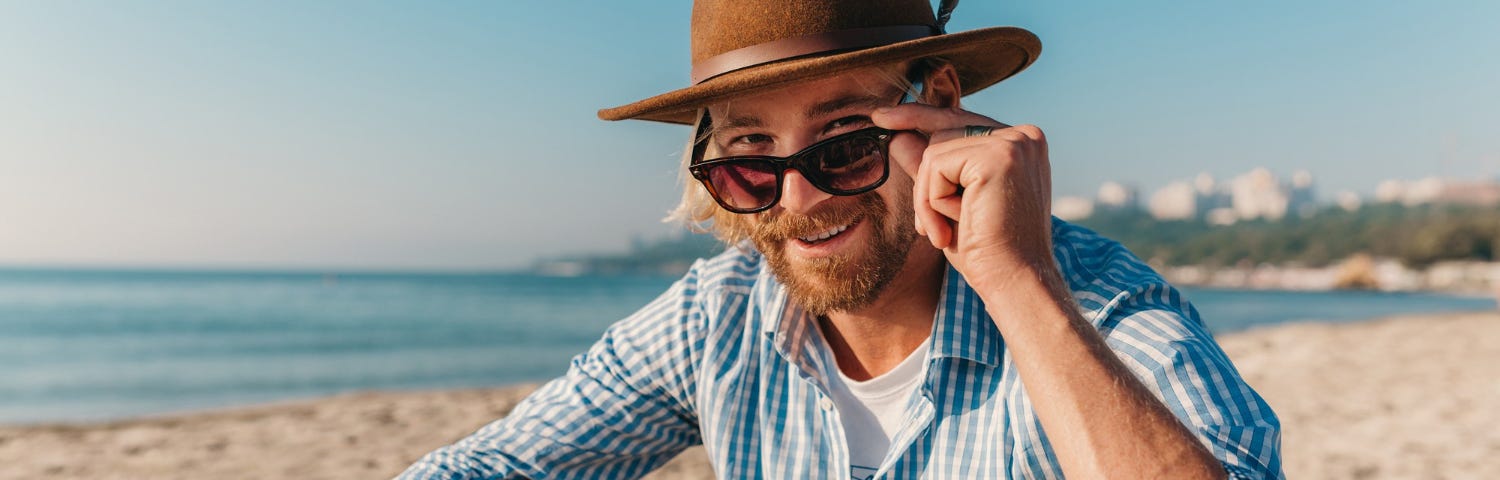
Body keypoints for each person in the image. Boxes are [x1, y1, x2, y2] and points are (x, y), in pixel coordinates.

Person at [401, 0, 1283, 478]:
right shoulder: (718, 320)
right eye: (751, 157)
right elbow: (494, 465)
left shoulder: (1096, 314)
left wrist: (1018, 285)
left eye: (848, 144)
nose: (801, 198)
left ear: (939, 105)